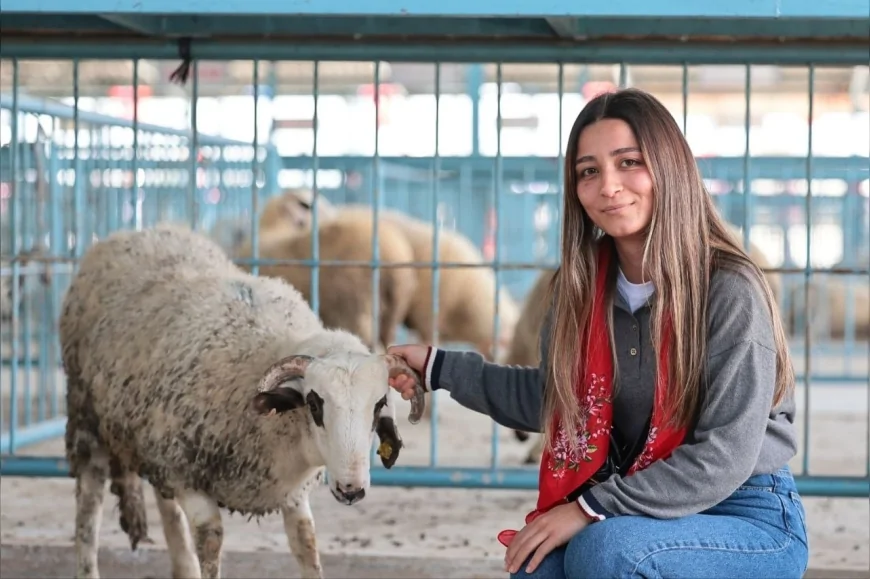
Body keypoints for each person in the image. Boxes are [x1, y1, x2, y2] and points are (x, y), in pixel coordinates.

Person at [387, 87, 809, 579]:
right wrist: (438, 366)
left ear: (668, 167)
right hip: (637, 498)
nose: (608, 186)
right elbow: (556, 398)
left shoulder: (730, 289)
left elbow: (726, 453)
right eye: (589, 171)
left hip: (747, 513)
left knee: (606, 551)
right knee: (537, 568)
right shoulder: (578, 289)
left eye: (629, 162)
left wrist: (588, 507)